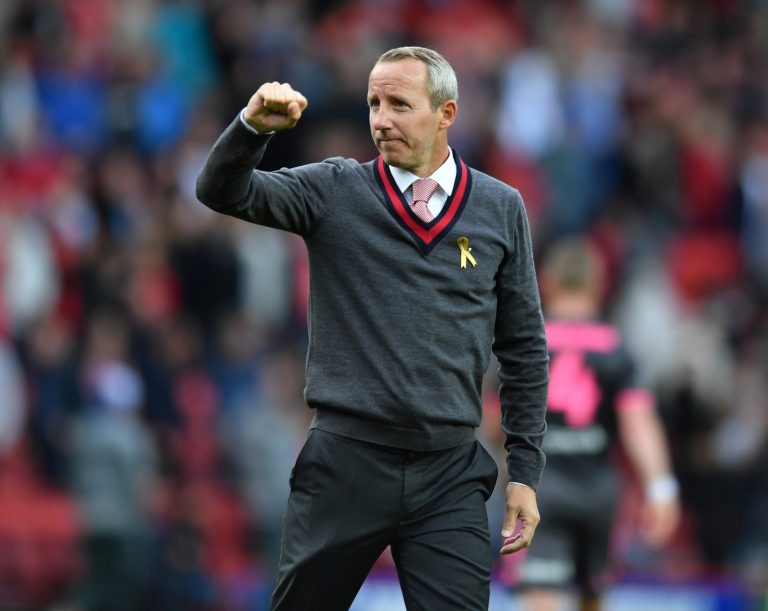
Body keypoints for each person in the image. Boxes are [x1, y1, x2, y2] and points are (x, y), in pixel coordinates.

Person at [196, 46, 549, 611]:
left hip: (449, 471)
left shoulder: (500, 208)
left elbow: (525, 349)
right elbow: (220, 190)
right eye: (374, 104)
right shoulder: (334, 189)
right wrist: (250, 129)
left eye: (399, 104)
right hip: (347, 464)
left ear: (446, 113)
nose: (381, 120)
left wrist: (525, 474)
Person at [506, 236, 681, 611]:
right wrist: (660, 488)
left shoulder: (525, 342)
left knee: (539, 598)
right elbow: (638, 422)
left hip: (539, 487)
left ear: (546, 282)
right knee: (593, 597)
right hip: (599, 492)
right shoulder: (616, 347)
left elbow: (495, 418)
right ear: (599, 285)